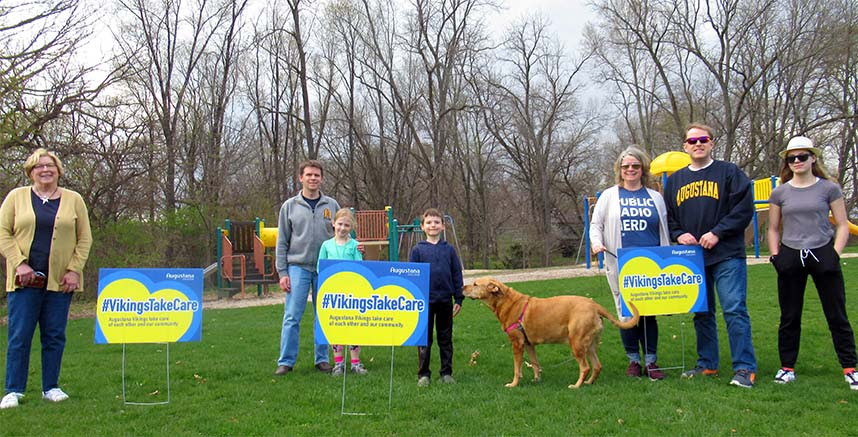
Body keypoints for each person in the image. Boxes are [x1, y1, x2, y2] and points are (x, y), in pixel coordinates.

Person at [665, 123, 758, 388]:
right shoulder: (675, 181)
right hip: (693, 258)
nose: (697, 144)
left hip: (727, 254)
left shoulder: (729, 172)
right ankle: (707, 364)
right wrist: (679, 233)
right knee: (702, 313)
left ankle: (744, 368)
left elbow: (743, 210)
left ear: (712, 142)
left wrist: (718, 232)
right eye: (692, 141)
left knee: (734, 310)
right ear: (685, 146)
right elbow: (669, 217)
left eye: (702, 139)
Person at [0, 149, 92, 409]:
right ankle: (13, 390)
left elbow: (84, 238)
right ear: (31, 171)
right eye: (39, 166)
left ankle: (51, 387)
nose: (45, 170)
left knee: (54, 335)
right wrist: (19, 264)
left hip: (60, 282)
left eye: (50, 165)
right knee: (20, 335)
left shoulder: (73, 200)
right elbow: (3, 233)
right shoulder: (16, 198)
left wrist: (74, 269)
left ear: (58, 170)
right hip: (25, 281)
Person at [767, 135, 858, 390]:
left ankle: (850, 368)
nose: (797, 161)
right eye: (792, 158)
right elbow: (773, 228)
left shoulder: (829, 188)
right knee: (790, 316)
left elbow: (842, 225)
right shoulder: (780, 192)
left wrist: (835, 253)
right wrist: (776, 255)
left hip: (823, 254)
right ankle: (787, 368)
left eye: (802, 156)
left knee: (837, 314)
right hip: (791, 255)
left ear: (813, 158)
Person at [590, 146, 671, 381]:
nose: (631, 170)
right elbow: (596, 225)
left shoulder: (655, 197)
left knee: (648, 314)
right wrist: (597, 244)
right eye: (626, 166)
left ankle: (651, 361)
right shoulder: (609, 196)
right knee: (626, 312)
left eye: (635, 166)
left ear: (642, 168)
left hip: (651, 264)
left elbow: (663, 228)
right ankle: (634, 361)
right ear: (619, 170)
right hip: (620, 263)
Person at [274, 160, 339, 376]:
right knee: (292, 316)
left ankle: (322, 359)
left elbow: (343, 235)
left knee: (323, 315)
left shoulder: (332, 205)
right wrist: (282, 272)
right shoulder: (289, 206)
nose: (313, 178)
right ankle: (286, 361)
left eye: (317, 175)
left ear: (321, 178)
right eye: (309, 175)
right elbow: (282, 241)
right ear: (301, 178)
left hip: (325, 268)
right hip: (297, 267)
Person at [409, 208, 464, 387]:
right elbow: (412, 278)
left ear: (442, 226)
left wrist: (459, 298)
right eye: (429, 222)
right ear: (423, 227)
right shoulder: (417, 250)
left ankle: (446, 372)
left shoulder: (449, 250)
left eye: (436, 222)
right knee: (424, 338)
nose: (433, 225)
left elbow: (457, 274)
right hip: (424, 302)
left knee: (445, 337)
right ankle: (423, 374)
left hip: (445, 301)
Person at [317, 208, 367, 376]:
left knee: (354, 326)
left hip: (352, 293)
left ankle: (355, 362)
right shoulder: (326, 245)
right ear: (333, 224)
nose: (342, 228)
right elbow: (320, 267)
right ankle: (338, 363)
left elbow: (359, 267)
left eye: (347, 225)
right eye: (340, 224)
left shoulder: (355, 246)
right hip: (333, 293)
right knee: (336, 327)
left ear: (351, 227)